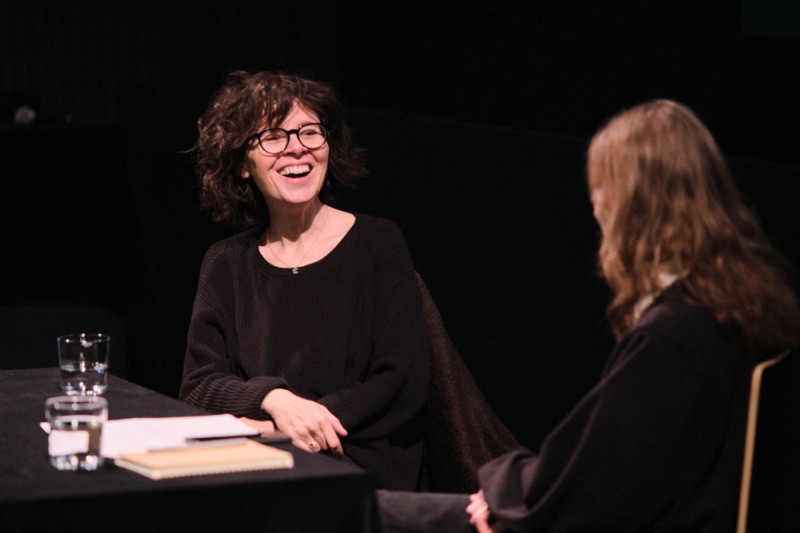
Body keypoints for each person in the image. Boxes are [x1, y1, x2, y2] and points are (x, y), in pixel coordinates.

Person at [379, 99, 800, 531]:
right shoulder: (751, 300)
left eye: (602, 189)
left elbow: (601, 481)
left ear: (634, 203)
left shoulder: (674, 335)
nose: (595, 206)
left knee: (373, 514)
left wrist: (508, 502)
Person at [179, 70, 430, 490]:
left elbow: (400, 380)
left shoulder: (377, 243)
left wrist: (301, 428)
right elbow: (199, 385)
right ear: (243, 164)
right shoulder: (225, 263)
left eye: (310, 133)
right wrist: (275, 400)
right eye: (274, 137)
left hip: (358, 466)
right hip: (255, 466)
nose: (297, 149)